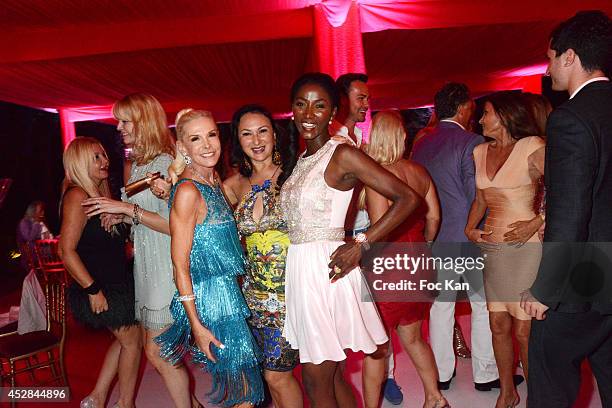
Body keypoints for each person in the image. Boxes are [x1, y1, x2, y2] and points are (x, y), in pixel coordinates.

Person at [280, 72, 420, 408]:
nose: (308, 114)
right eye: (301, 105)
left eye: (319, 106)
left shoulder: (341, 154)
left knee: (315, 381)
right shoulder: (301, 160)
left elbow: (408, 198)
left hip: (326, 270)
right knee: (331, 375)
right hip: (303, 271)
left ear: (332, 113)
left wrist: (362, 243)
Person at [520, 11, 612, 408]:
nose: (548, 68)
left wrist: (546, 288)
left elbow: (570, 211)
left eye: (550, 57)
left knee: (549, 383)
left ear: (570, 57)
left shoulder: (570, 119)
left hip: (582, 284)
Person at [82, 93, 198, 408]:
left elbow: (177, 225)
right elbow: (143, 220)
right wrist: (121, 215)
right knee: (158, 351)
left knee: (157, 353)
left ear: (143, 121)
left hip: (165, 267)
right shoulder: (139, 165)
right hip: (147, 266)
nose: (118, 127)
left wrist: (125, 209)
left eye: (124, 120)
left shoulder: (163, 162)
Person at [154, 109, 264, 407]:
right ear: (182, 148)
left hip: (229, 294)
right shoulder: (189, 191)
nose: (207, 145)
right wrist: (197, 325)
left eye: (211, 135)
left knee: (245, 390)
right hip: (212, 303)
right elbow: (179, 264)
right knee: (245, 392)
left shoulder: (212, 181)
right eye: (195, 138)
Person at [411, 83, 500, 391]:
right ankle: (485, 374)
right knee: (481, 305)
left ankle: (442, 374)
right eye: (471, 109)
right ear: (463, 108)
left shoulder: (422, 144)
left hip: (436, 237)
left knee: (441, 307)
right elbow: (476, 194)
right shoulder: (472, 141)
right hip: (469, 238)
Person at [361, 110, 448, 408]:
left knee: (375, 347)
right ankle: (435, 396)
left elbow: (378, 231)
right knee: (413, 337)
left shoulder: (378, 179)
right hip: (420, 264)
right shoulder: (419, 172)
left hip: (388, 269)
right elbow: (434, 218)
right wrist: (423, 243)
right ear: (400, 136)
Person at [465, 91, 545, 408]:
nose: (480, 119)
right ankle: (507, 391)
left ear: (505, 115)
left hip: (525, 249)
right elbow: (481, 199)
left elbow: (569, 187)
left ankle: (539, 396)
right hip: (493, 250)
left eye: (485, 113)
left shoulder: (532, 146)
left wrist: (537, 221)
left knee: (524, 330)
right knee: (497, 323)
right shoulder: (479, 151)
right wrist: (469, 228)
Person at [223, 104, 302, 407]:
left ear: (274, 134)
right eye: (246, 134)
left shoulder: (294, 175)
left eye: (262, 131)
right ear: (238, 140)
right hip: (253, 299)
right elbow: (196, 218)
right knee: (267, 377)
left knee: (277, 376)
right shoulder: (233, 185)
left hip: (292, 294)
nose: (256, 141)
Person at [333, 72, 403, 406]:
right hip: (349, 244)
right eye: (360, 97)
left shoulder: (355, 142)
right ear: (342, 100)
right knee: (361, 327)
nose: (366, 104)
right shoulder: (337, 144)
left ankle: (383, 378)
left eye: (367, 98)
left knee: (372, 324)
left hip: (364, 240)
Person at [58, 137, 141, 408]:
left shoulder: (99, 194)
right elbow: (65, 250)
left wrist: (121, 218)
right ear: (80, 162)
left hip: (116, 281)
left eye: (104, 155)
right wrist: (93, 289)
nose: (105, 161)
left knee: (125, 339)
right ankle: (125, 403)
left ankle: (96, 398)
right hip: (99, 285)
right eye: (96, 157)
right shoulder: (77, 195)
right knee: (131, 342)